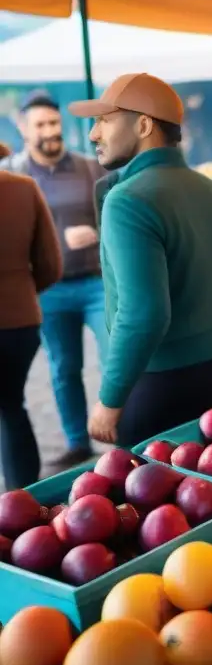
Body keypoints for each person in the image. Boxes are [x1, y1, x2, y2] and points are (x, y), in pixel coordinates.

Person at [68, 73, 212, 447]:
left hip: (156, 384)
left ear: (143, 124)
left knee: (152, 498)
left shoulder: (128, 199)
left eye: (104, 120)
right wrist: (201, 324)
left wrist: (109, 400)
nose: (94, 133)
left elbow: (143, 314)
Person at [0, 91, 109, 471]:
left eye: (55, 123)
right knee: (64, 368)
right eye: (41, 125)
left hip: (96, 283)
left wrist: (96, 231)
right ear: (24, 130)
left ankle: (127, 434)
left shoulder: (88, 167)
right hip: (48, 290)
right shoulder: (17, 174)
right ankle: (78, 443)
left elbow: (114, 213)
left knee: (115, 357)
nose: (51, 131)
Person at [0, 170, 62, 488]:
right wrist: (19, 294)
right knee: (11, 406)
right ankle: (21, 499)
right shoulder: (24, 188)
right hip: (20, 321)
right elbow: (51, 264)